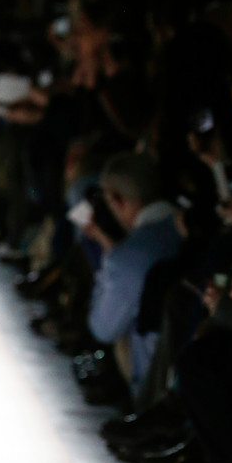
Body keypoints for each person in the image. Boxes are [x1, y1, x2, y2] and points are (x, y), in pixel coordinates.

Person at [86, 151, 181, 399]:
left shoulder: (127, 257)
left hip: (154, 383)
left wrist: (108, 255)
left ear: (117, 200)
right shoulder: (186, 227)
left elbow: (103, 327)